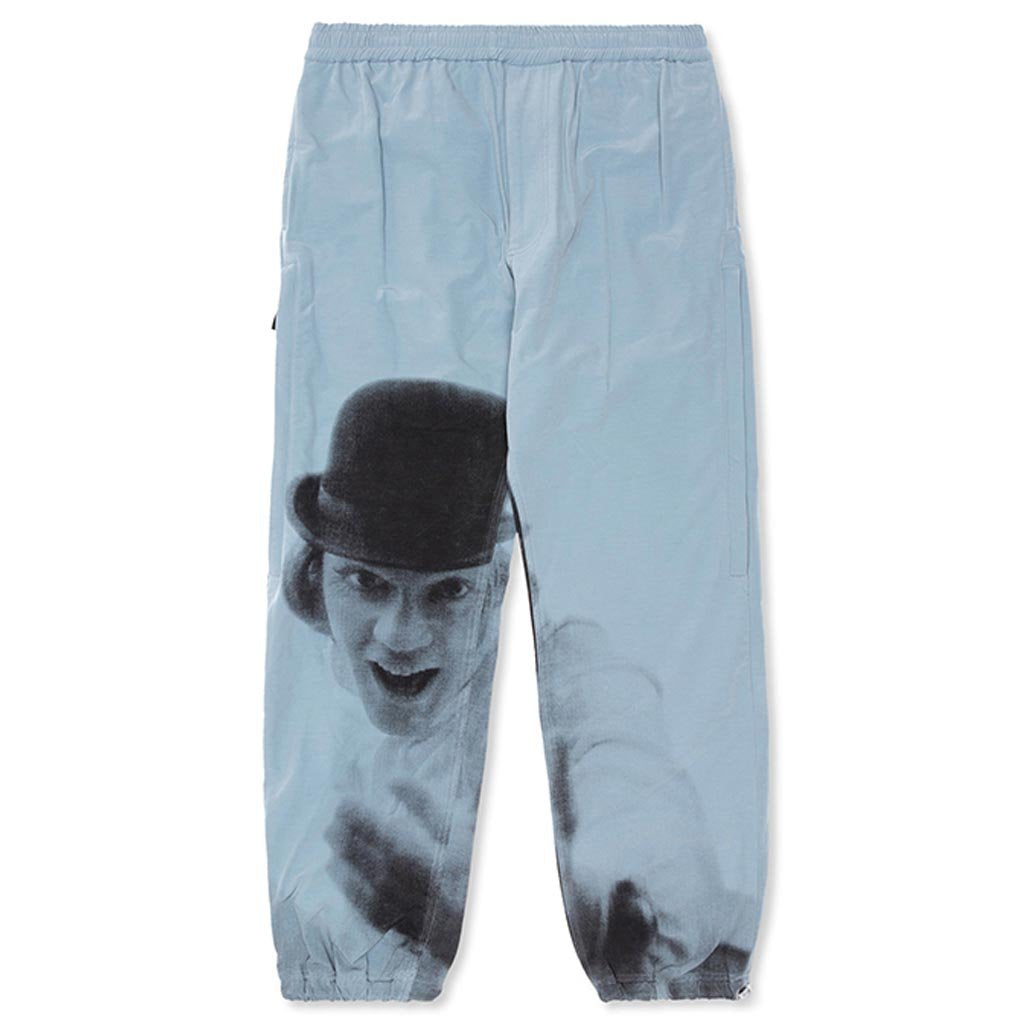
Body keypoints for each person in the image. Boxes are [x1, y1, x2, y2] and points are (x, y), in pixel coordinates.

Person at [276, 376, 752, 1000]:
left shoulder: (576, 672)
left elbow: (630, 790)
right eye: (366, 582)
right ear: (318, 576)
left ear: (503, 585)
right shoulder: (333, 718)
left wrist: (618, 909)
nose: (400, 635)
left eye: (450, 590)